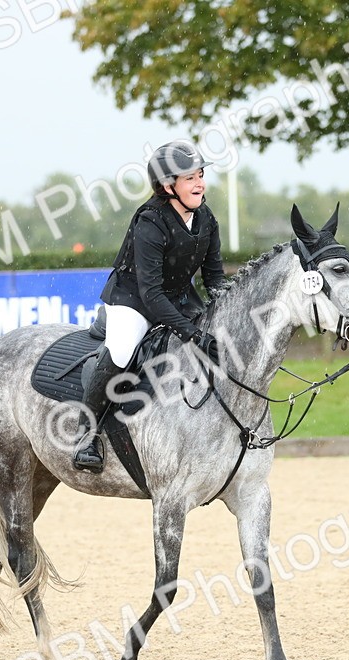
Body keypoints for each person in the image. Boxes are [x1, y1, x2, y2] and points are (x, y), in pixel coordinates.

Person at [73, 140, 228, 473]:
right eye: (190, 178)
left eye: (201, 176)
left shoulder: (205, 218)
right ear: (167, 186)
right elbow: (151, 293)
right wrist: (191, 334)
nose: (200, 184)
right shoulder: (151, 221)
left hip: (178, 298)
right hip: (134, 300)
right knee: (121, 350)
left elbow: (214, 277)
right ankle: (86, 434)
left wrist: (227, 308)